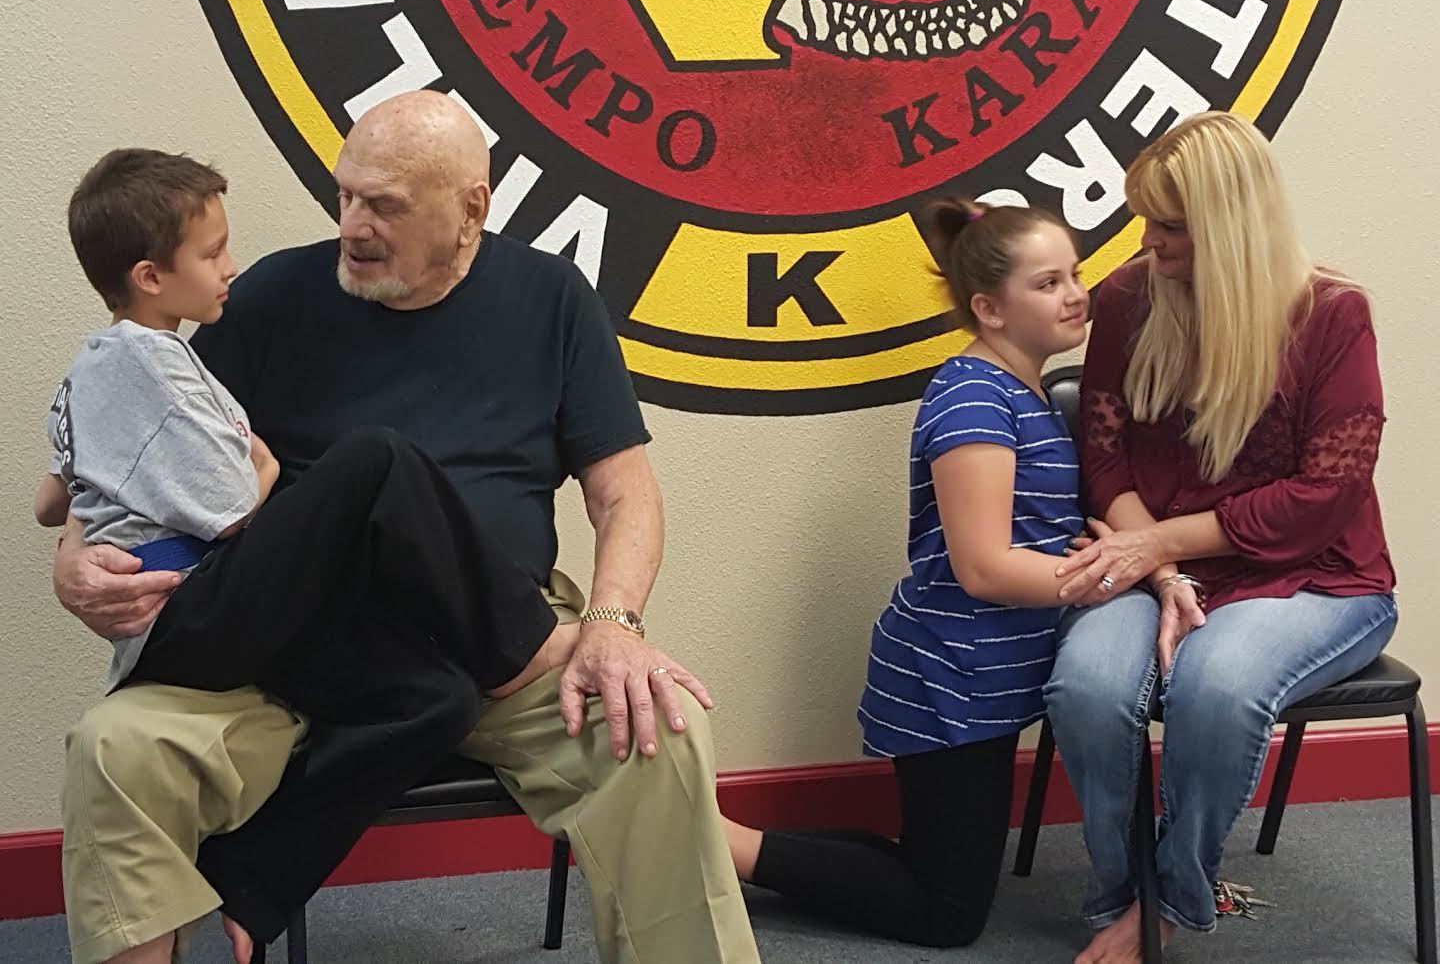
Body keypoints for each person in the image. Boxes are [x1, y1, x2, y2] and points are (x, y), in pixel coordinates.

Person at [51, 91, 760, 964]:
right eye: (345, 194)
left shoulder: (551, 298)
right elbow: (140, 450)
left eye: (383, 204)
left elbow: (626, 495)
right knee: (115, 747)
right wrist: (74, 557)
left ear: (471, 208)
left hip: (501, 640)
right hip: (303, 640)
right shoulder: (269, 296)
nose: (353, 224)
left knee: (657, 732)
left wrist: (613, 623)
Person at [35, 147, 585, 960]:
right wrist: (260, 468)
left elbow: (51, 499)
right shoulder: (136, 359)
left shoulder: (120, 366)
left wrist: (98, 509)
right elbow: (227, 510)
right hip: (190, 610)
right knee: (376, 460)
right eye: (214, 253)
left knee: (434, 700)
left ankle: (254, 879)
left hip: (220, 607)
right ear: (152, 277)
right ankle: (525, 646)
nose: (232, 266)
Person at [1046, 110, 1398, 963]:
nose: (1147, 241)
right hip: (1161, 562)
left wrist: (1158, 546)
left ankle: (1169, 900)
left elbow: (1324, 494)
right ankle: (1119, 892)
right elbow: (1106, 462)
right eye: (1146, 219)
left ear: (1230, 228)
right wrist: (1158, 565)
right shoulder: (1132, 298)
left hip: (1319, 574)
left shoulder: (1333, 315)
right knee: (1088, 686)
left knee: (1216, 688)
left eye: (1170, 226)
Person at [723, 196, 1109, 946]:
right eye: (1048, 282)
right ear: (989, 309)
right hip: (950, 677)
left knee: (932, 866)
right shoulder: (974, 395)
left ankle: (727, 839)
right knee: (945, 913)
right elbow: (984, 568)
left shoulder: (1020, 391)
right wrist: (1113, 575)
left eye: (1076, 273)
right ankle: (715, 847)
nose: (1075, 293)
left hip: (987, 678)